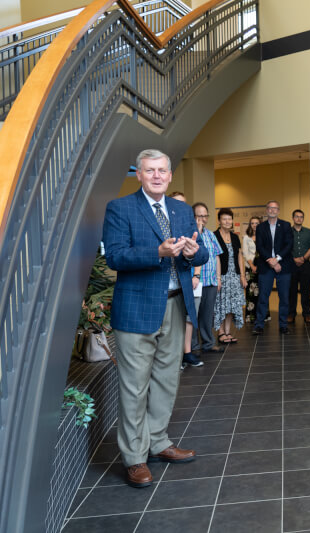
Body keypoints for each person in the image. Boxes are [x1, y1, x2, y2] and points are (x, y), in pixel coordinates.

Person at [102, 149, 209, 488]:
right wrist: (157, 253)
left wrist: (194, 253)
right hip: (136, 310)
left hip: (176, 306)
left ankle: (158, 442)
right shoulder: (120, 208)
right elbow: (116, 257)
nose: (157, 176)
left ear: (170, 175)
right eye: (150, 171)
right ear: (139, 175)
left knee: (167, 379)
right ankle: (135, 457)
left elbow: (201, 251)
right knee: (135, 386)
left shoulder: (180, 209)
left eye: (162, 170)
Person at [169, 192, 201, 365]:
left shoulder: (189, 226)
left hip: (188, 281)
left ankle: (186, 352)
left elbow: (201, 254)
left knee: (188, 318)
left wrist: (196, 275)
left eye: (184, 203)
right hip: (168, 287)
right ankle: (176, 356)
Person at [253, 200, 293, 335]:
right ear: (266, 210)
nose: (272, 210)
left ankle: (283, 325)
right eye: (270, 208)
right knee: (263, 297)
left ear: (278, 211)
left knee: (284, 298)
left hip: (283, 266)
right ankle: (259, 325)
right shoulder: (260, 227)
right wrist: (270, 261)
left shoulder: (286, 226)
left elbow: (289, 245)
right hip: (265, 266)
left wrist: (277, 259)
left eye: (275, 208)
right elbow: (259, 246)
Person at [190, 202, 222, 363]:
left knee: (207, 315)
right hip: (196, 281)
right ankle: (194, 346)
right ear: (193, 216)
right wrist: (197, 230)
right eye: (199, 215)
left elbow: (217, 256)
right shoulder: (190, 235)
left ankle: (208, 343)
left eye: (205, 215)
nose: (202, 218)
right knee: (193, 315)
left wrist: (219, 278)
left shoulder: (211, 235)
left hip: (210, 281)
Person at [213, 208, 246, 343]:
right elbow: (215, 258)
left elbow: (239, 257)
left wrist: (242, 276)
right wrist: (218, 278)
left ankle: (227, 331)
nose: (227, 221)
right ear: (219, 221)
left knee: (231, 305)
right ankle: (220, 332)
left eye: (229, 219)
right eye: (224, 219)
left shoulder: (235, 237)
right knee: (221, 304)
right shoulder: (214, 235)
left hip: (234, 275)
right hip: (221, 275)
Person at [288, 209, 310, 325]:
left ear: (303, 219)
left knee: (305, 291)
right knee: (291, 291)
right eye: (296, 216)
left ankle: (307, 314)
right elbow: (284, 248)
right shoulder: (287, 232)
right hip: (291, 265)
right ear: (293, 218)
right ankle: (291, 314)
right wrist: (294, 259)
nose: (299, 218)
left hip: (306, 265)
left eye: (301, 217)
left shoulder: (308, 232)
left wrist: (303, 258)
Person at [242, 216, 261, 324]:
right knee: (251, 293)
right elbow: (245, 253)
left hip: (262, 267)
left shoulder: (263, 236)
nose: (254, 225)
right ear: (250, 225)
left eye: (257, 223)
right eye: (252, 223)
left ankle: (262, 316)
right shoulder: (246, 238)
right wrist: (253, 266)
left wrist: (259, 266)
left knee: (261, 292)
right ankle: (251, 316)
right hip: (250, 268)